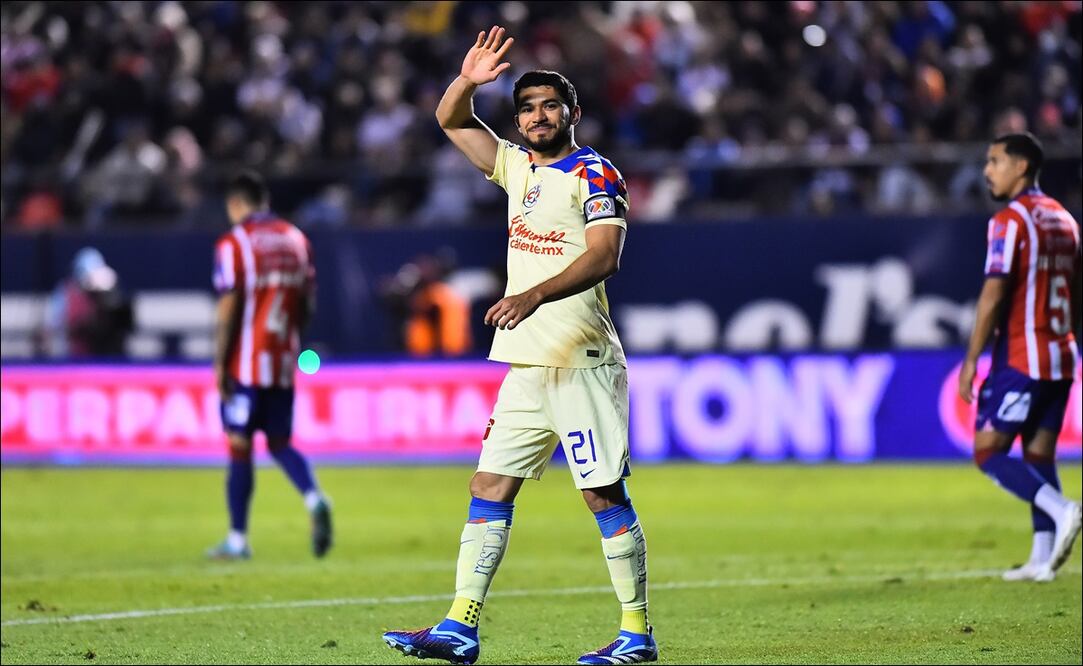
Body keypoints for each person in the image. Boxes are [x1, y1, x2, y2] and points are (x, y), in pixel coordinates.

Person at [382, 26, 655, 665]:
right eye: (527, 107)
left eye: (549, 106)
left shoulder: (594, 172)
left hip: (581, 357)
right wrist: (467, 82)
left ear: (572, 114)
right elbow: (450, 118)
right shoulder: (517, 168)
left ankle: (636, 633)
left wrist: (533, 295)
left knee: (602, 494)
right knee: (490, 484)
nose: (537, 116)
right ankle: (459, 626)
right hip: (526, 364)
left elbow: (605, 255)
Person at [958, 132, 1082, 582]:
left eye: (995, 161)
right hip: (1062, 353)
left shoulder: (1009, 221)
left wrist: (972, 359)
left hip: (1022, 355)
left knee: (988, 452)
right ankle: (1042, 559)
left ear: (1021, 167)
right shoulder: (1065, 219)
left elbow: (993, 294)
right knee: (1038, 453)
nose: (987, 170)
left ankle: (1063, 508)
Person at [206, 171, 333, 560]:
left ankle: (237, 540)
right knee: (279, 442)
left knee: (239, 445)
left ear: (235, 204)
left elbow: (228, 307)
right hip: (281, 360)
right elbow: (308, 304)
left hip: (245, 364)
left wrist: (219, 364)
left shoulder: (235, 242)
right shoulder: (297, 239)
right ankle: (313, 498)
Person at [41, 247, 133, 358]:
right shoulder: (65, 292)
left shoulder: (107, 289)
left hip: (103, 354)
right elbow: (53, 325)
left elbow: (119, 322)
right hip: (73, 355)